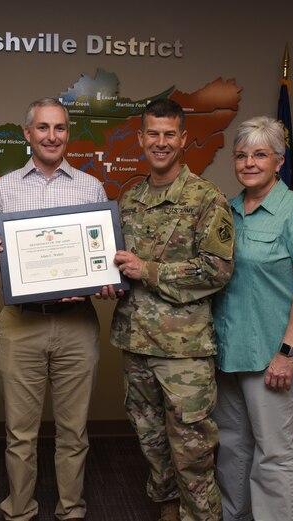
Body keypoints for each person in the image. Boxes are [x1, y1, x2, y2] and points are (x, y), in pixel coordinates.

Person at [101, 98, 234, 521]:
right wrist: (108, 279)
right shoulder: (131, 198)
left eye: (169, 134)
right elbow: (121, 265)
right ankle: (168, 510)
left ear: (183, 139)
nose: (160, 143)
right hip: (136, 342)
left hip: (184, 351)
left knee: (192, 453)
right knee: (151, 442)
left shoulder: (205, 198)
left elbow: (217, 269)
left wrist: (148, 270)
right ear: (140, 139)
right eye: (152, 134)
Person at [0, 98, 107, 521]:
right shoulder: (5, 187)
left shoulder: (90, 187)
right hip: (22, 323)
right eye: (43, 128)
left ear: (68, 133)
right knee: (20, 432)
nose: (52, 136)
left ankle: (71, 508)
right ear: (27, 133)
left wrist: (102, 273)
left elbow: (101, 250)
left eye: (60, 128)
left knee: (74, 430)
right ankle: (20, 510)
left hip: (77, 324)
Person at [211, 116, 293, 521]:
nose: (249, 163)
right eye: (241, 155)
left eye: (260, 154)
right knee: (232, 447)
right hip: (228, 353)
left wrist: (287, 352)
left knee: (273, 454)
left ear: (279, 161)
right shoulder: (225, 211)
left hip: (273, 356)